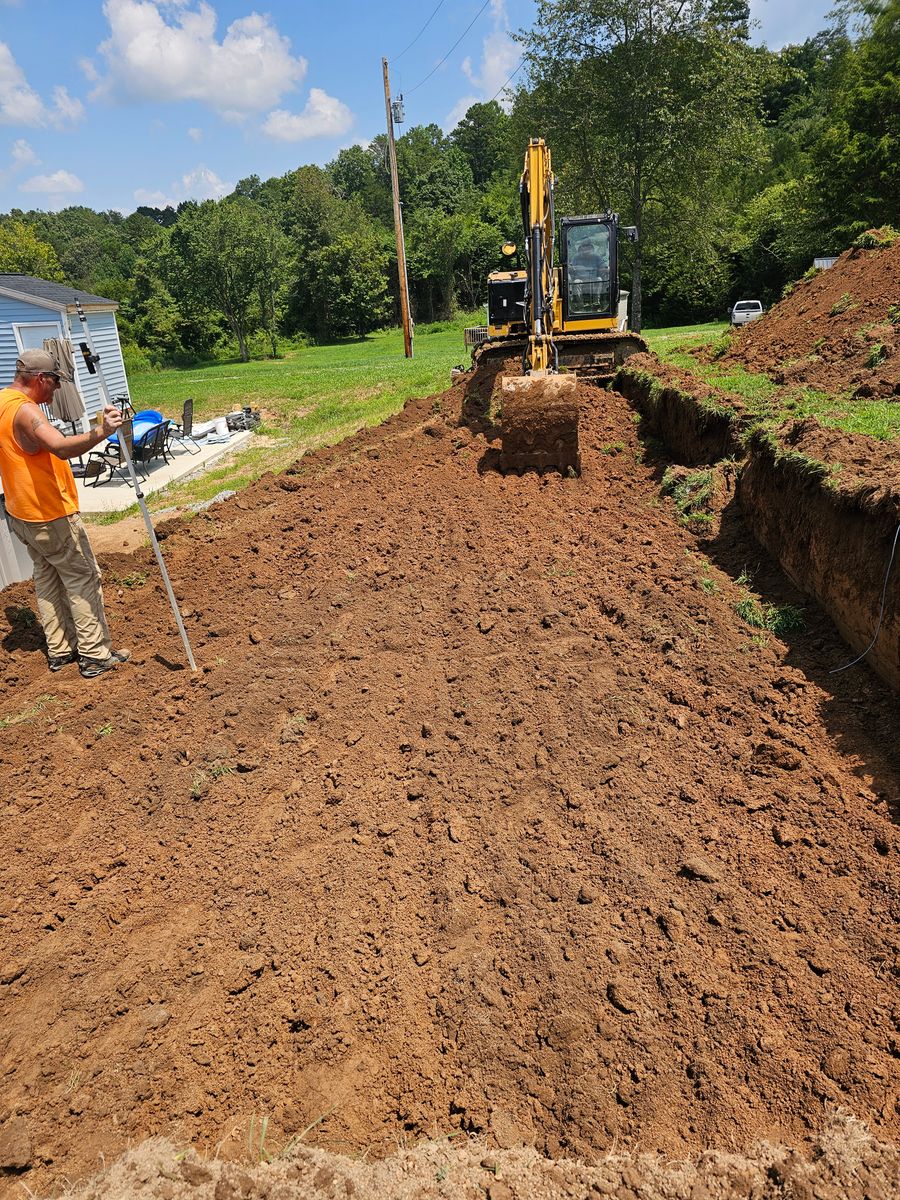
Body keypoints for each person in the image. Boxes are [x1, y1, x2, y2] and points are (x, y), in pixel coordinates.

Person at [0, 349, 131, 678]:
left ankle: (60, 650)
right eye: (56, 381)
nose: (57, 388)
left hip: (21, 512)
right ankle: (94, 654)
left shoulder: (2, 400)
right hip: (49, 514)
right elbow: (59, 446)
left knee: (46, 576)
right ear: (41, 379)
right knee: (81, 575)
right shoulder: (26, 412)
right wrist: (101, 432)